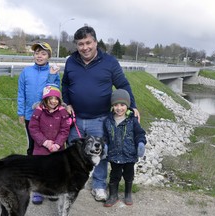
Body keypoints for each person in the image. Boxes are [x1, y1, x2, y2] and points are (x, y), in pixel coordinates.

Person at [61, 25, 140, 202]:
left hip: (100, 118)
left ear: (95, 42)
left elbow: (123, 86)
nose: (85, 47)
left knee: (100, 153)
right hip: (75, 118)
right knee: (73, 152)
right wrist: (67, 103)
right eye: (80, 44)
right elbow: (65, 84)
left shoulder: (110, 62)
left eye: (88, 42)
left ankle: (98, 186)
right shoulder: (71, 61)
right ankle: (72, 184)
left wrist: (132, 106)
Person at [103, 89, 146, 207]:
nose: (119, 108)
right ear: (112, 106)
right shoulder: (108, 121)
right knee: (114, 176)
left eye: (122, 105)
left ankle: (128, 194)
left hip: (129, 155)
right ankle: (113, 195)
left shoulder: (133, 120)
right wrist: (105, 145)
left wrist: (141, 143)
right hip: (114, 154)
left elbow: (139, 134)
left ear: (127, 106)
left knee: (129, 175)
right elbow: (105, 136)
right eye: (116, 105)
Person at [28, 85, 71, 204]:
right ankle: (38, 192)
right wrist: (45, 142)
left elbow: (65, 130)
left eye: (56, 98)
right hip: (41, 147)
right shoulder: (38, 111)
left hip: (57, 148)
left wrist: (57, 144)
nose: (53, 101)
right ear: (45, 99)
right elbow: (33, 128)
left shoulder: (62, 112)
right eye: (50, 98)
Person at [17, 41, 60, 156]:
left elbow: (53, 94)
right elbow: (21, 93)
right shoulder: (26, 71)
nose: (39, 56)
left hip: (47, 115)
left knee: (44, 145)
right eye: (37, 53)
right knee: (31, 145)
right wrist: (21, 113)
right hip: (30, 115)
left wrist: (51, 75)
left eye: (43, 53)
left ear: (49, 56)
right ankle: (30, 171)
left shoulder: (54, 72)